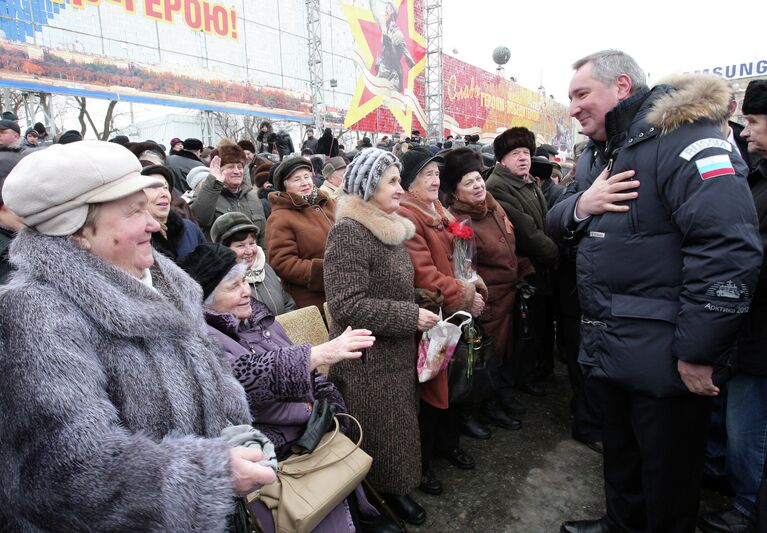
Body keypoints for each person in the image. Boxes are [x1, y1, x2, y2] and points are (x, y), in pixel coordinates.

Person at [0, 141, 276, 530]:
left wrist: (231, 430)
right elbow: (68, 469)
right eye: (133, 212)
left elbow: (211, 367)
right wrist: (208, 471)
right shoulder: (36, 313)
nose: (153, 224)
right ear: (76, 230)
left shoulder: (163, 279)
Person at [549, 50, 762, 533]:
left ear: (622, 86)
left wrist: (698, 350)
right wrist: (583, 203)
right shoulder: (599, 155)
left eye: (582, 94)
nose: (573, 109)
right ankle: (619, 524)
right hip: (612, 345)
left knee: (668, 480)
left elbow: (729, 251)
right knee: (622, 458)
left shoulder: (689, 141)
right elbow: (554, 222)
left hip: (666, 354)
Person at [179, 243, 395, 533]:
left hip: (314, 439)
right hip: (282, 460)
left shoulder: (258, 318)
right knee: (314, 515)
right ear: (205, 301)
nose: (246, 291)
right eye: (233, 286)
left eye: (244, 280)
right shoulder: (202, 342)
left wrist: (327, 398)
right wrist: (315, 361)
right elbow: (243, 380)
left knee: (341, 493)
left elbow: (305, 369)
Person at [324, 148, 440, 526]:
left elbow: (388, 287)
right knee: (378, 434)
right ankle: (377, 500)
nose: (400, 188)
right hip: (368, 361)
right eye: (392, 181)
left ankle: (398, 487)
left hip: (394, 352)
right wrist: (410, 315)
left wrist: (422, 298)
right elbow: (347, 305)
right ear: (368, 186)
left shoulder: (388, 228)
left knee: (399, 429)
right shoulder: (349, 233)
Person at [397, 146, 486, 499]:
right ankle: (423, 465)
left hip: (452, 315)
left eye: (437, 174)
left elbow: (458, 257)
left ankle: (448, 445)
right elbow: (425, 275)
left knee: (453, 385)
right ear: (409, 184)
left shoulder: (437, 209)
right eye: (427, 175)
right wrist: (465, 293)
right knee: (432, 392)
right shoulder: (409, 216)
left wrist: (470, 279)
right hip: (433, 319)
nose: (435, 180)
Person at [698, 79, 767, 533]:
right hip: (744, 326)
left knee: (750, 427)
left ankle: (748, 508)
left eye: (757, 123)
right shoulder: (756, 173)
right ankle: (726, 479)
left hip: (760, 331)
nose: (747, 132)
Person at [442, 147, 524, 435]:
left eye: (479, 178)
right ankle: (478, 411)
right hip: (487, 302)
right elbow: (464, 270)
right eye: (469, 183)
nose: (477, 186)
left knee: (504, 355)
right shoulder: (458, 222)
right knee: (483, 360)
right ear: (454, 192)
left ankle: (497, 402)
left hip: (509, 297)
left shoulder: (492, 205)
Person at [486, 127, 559, 398]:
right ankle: (523, 377)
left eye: (526, 152)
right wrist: (556, 252)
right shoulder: (499, 186)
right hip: (524, 270)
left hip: (539, 267)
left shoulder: (527, 181)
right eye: (515, 153)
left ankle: (534, 370)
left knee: (537, 326)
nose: (523, 158)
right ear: (502, 160)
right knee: (524, 331)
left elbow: (546, 220)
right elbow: (527, 233)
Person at [266, 156, 335, 311]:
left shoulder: (328, 204)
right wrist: (326, 271)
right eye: (296, 179)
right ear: (285, 186)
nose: (305, 183)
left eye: (306, 176)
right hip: (313, 301)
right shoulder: (280, 217)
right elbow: (282, 262)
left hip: (345, 291)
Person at [210, 212, 295, 316]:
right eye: (241, 245)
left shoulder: (266, 269)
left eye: (252, 243)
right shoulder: (221, 283)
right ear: (224, 249)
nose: (249, 251)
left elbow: (288, 304)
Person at [191, 140, 267, 247]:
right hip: (221, 261)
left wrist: (262, 262)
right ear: (219, 170)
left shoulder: (253, 198)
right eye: (231, 167)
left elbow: (262, 239)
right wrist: (214, 183)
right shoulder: (207, 193)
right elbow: (200, 219)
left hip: (251, 260)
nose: (237, 171)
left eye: (240, 167)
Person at [140, 164, 205, 261]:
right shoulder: (136, 237)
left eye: (166, 187)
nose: (164, 194)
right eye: (154, 187)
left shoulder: (189, 228)